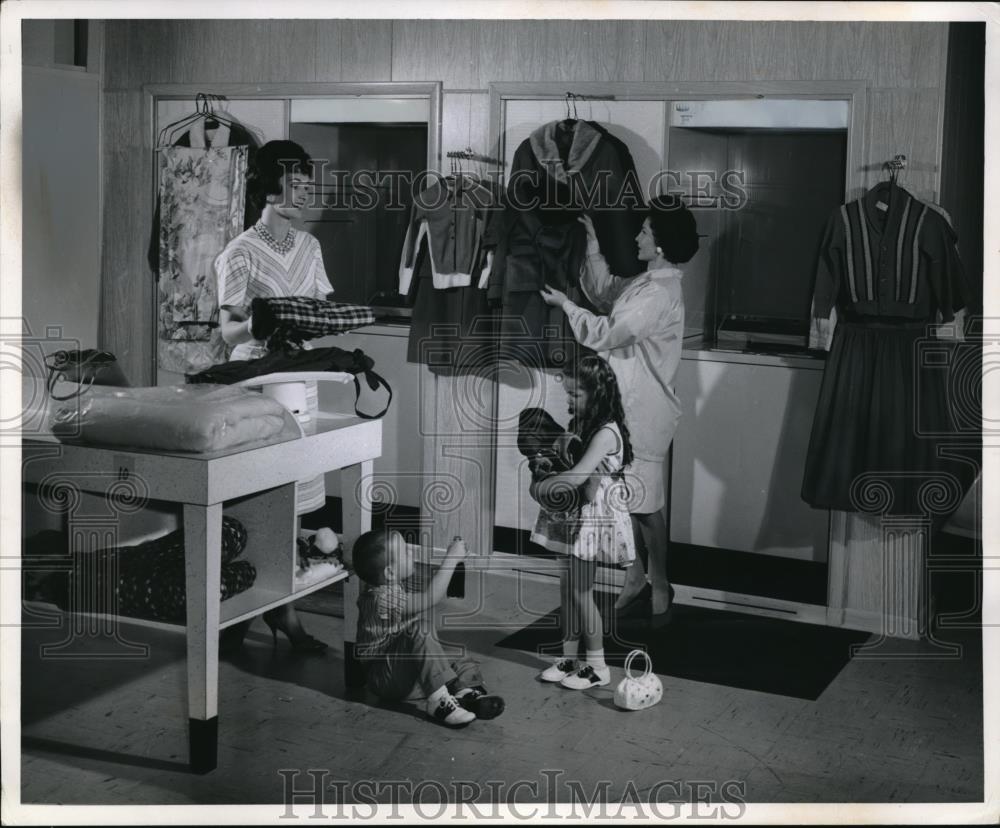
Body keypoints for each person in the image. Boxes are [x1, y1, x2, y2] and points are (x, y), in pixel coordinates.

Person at [539, 195, 699, 628]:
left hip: (644, 409)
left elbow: (608, 330)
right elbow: (607, 292)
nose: (637, 235)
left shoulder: (658, 292)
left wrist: (566, 307)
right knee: (623, 500)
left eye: (645, 230)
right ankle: (636, 578)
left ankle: (661, 581)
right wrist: (592, 244)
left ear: (662, 242)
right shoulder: (648, 284)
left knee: (644, 503)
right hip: (625, 403)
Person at [216, 140, 334, 653]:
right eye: (296, 179)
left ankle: (281, 611)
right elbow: (227, 333)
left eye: (309, 179)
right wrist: (261, 324)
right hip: (256, 386)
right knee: (254, 500)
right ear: (270, 185)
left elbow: (321, 314)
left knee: (296, 504)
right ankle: (241, 608)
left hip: (300, 382)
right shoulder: (239, 251)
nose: (306, 188)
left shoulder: (310, 248)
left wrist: (319, 323)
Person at [530, 355, 636, 690]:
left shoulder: (606, 433)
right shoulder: (585, 425)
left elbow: (577, 477)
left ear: (597, 393)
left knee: (580, 591)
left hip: (593, 517)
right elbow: (571, 461)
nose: (570, 400)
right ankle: (568, 658)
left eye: (576, 394)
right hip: (575, 515)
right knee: (568, 588)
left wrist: (541, 487)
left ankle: (597, 666)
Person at [353, 530, 506, 727]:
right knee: (421, 629)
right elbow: (429, 598)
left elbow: (428, 584)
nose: (411, 552)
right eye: (405, 552)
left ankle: (466, 694)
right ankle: (439, 703)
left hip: (406, 674)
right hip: (386, 679)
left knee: (456, 654)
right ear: (390, 572)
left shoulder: (388, 585)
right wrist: (451, 559)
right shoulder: (382, 600)